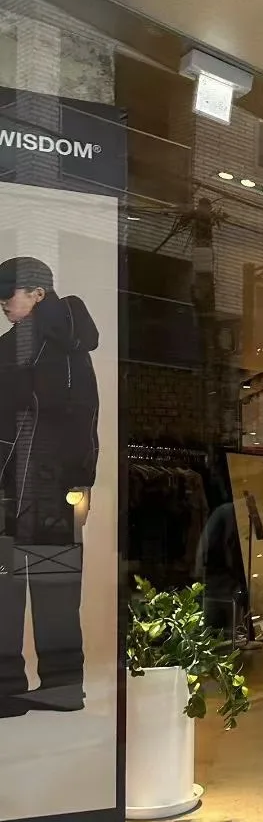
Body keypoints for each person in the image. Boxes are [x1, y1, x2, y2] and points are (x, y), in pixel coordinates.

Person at [0, 256, 100, 716]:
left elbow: (76, 418)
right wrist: (81, 483)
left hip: (29, 488)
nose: (3, 304)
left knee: (21, 588)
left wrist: (80, 483)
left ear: (38, 294)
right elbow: (83, 420)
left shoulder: (34, 347)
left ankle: (23, 689)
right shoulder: (55, 349)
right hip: (42, 490)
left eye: (9, 295)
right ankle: (55, 687)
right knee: (45, 588)